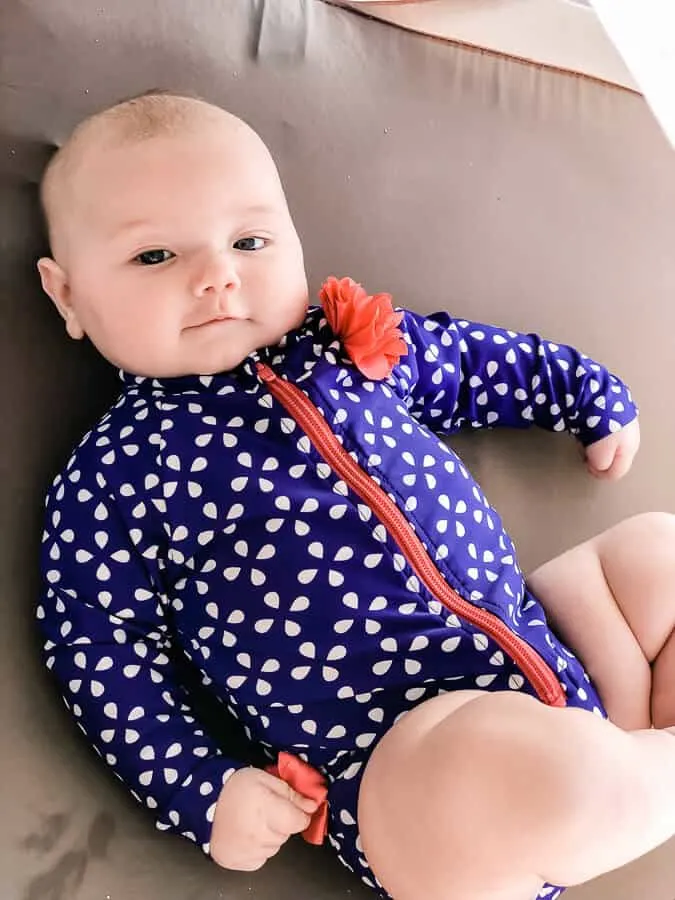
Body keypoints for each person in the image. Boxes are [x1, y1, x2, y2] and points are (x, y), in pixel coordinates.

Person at [36, 91, 675, 900]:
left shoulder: (349, 351)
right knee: (543, 779)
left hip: (548, 650)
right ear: (66, 296)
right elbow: (102, 648)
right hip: (404, 773)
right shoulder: (118, 474)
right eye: (155, 257)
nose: (217, 277)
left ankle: (623, 772)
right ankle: (625, 781)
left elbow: (471, 363)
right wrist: (203, 791)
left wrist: (580, 392)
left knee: (657, 553)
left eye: (249, 240)